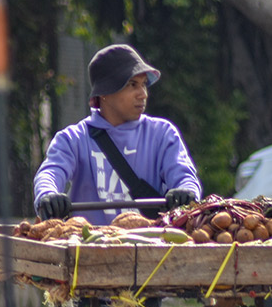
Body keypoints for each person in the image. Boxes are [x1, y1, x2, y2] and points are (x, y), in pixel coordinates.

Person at [32, 44, 202, 224]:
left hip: (152, 247)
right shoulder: (73, 139)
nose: (143, 94)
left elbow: (184, 176)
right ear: (105, 92)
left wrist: (186, 192)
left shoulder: (162, 134)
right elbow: (50, 173)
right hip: (87, 247)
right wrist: (48, 195)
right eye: (132, 85)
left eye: (144, 84)